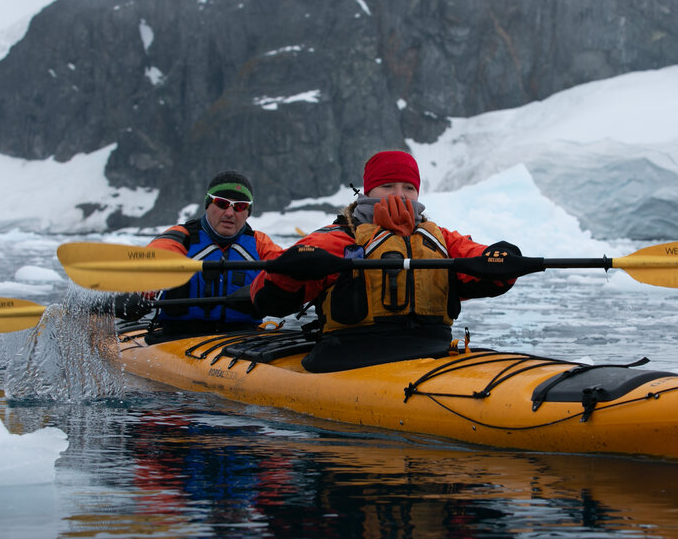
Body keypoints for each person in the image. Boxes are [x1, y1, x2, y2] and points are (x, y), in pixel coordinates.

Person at [250, 150, 521, 372]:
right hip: (347, 359)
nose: (400, 194)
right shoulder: (338, 240)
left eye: (409, 187)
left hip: (433, 353)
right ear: (368, 191)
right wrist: (289, 273)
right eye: (387, 186)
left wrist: (502, 260)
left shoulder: (441, 240)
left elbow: (479, 260)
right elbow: (265, 297)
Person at [116, 170, 281, 335]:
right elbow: (141, 275)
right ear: (208, 205)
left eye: (240, 206)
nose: (230, 213)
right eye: (222, 204)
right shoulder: (180, 239)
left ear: (247, 212)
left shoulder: (260, 244)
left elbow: (289, 273)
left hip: (244, 337)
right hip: (179, 337)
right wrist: (135, 296)